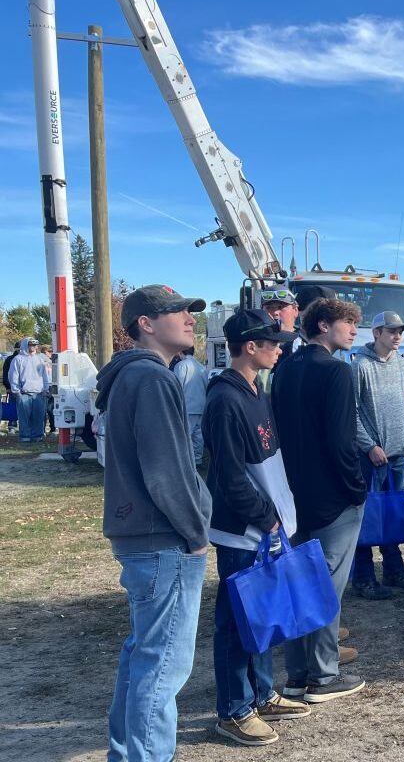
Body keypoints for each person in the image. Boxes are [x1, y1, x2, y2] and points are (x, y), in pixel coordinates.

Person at [95, 284, 212, 761]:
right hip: (163, 539)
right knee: (162, 667)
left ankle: (126, 755)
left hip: (142, 536)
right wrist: (196, 533)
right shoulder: (153, 379)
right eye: (177, 311)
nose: (189, 318)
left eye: (190, 310)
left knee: (143, 656)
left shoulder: (132, 377)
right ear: (145, 323)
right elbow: (168, 470)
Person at [203, 308, 311, 746]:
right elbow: (229, 477)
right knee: (234, 622)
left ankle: (262, 693)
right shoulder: (225, 399)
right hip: (244, 530)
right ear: (251, 347)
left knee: (262, 615)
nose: (280, 348)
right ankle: (233, 710)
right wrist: (265, 517)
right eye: (274, 342)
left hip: (267, 526)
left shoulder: (254, 389)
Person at [271, 297, 368, 703]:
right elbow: (341, 442)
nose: (353, 332)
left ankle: (296, 675)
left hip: (292, 495)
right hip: (332, 497)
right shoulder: (337, 373)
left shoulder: (283, 369)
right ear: (324, 325)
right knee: (326, 585)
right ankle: (324, 678)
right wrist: (357, 488)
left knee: (298, 582)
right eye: (348, 324)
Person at [349, 311, 404, 599]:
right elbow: (351, 412)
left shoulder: (403, 365)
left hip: (398, 452)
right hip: (370, 457)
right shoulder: (359, 366)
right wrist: (369, 446)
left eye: (400, 331)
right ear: (377, 332)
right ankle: (364, 577)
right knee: (367, 515)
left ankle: (394, 569)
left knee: (391, 513)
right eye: (391, 330)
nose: (397, 336)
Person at [8, 337, 50, 442]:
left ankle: (37, 436)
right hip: (24, 393)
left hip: (39, 393)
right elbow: (13, 376)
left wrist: (46, 388)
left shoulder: (40, 359)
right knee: (24, 418)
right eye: (31, 344)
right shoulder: (18, 359)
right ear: (26, 345)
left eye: (35, 344)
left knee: (39, 417)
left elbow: (45, 376)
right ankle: (25, 437)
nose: (34, 347)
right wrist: (16, 391)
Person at [171, 346, 207, 465]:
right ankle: (198, 459)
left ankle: (186, 462)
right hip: (201, 405)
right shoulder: (201, 367)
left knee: (185, 435)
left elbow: (176, 387)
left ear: (181, 351)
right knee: (198, 435)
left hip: (187, 406)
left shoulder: (181, 366)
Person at [261, 287, 302, 368]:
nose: (275, 312)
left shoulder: (305, 345)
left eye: (280, 307)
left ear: (295, 310)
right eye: (269, 308)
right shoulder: (256, 345)